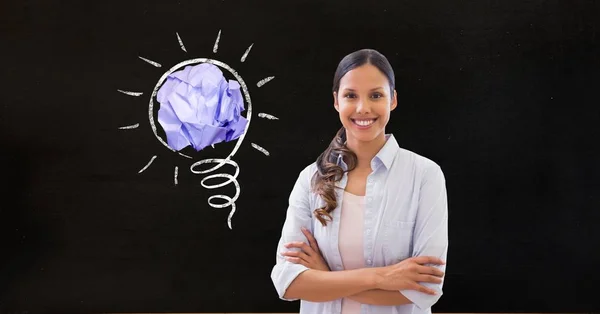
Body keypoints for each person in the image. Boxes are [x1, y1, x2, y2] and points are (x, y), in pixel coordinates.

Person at [270, 48, 449, 314]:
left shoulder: (424, 175)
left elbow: (424, 290)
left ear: (393, 100)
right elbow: (288, 282)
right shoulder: (310, 178)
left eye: (376, 95)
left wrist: (325, 276)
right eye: (350, 95)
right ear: (336, 101)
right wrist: (381, 278)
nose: (363, 108)